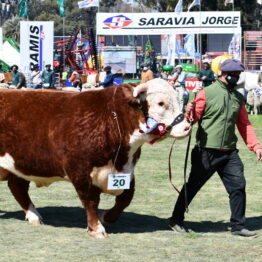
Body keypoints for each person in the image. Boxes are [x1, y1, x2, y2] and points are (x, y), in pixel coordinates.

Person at [169, 59, 262, 237]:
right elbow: (193, 119)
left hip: (229, 152)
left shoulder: (238, 97)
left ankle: (238, 226)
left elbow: (245, 124)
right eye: (234, 74)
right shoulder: (206, 93)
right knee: (193, 187)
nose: (237, 77)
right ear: (224, 74)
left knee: (238, 186)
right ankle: (175, 219)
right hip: (206, 151)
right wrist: (189, 111)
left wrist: (255, 145)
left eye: (238, 74)